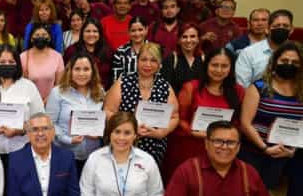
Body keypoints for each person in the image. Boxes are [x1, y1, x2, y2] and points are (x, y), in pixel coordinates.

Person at [239, 42, 303, 196]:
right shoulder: (259, 87)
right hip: (257, 150)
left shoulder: (301, 90)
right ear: (275, 62)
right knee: (248, 194)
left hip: (289, 152)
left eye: (294, 62)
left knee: (282, 191)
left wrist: (292, 150)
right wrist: (265, 148)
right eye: (285, 61)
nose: (289, 64)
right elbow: (246, 123)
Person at [165, 47, 244, 181]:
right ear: (206, 65)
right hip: (188, 148)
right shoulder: (191, 87)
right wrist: (194, 132)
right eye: (214, 65)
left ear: (231, 68)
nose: (219, 70)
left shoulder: (238, 92)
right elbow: (179, 118)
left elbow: (238, 123)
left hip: (220, 150)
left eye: (224, 66)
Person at [104, 42, 179, 165]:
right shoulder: (123, 82)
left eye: (153, 60)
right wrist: (128, 128)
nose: (148, 64)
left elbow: (174, 117)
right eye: (144, 59)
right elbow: (108, 111)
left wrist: (161, 133)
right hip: (123, 142)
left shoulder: (165, 87)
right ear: (137, 61)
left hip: (154, 146)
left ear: (159, 64)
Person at [0, 44, 44, 169]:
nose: (7, 64)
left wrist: (20, 130)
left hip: (22, 149)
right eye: (2, 62)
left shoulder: (28, 86)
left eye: (11, 61)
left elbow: (40, 118)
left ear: (17, 64)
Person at [45, 53, 105, 175]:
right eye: (77, 69)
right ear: (70, 71)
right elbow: (50, 123)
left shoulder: (100, 91)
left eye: (86, 69)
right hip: (65, 154)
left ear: (93, 71)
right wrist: (68, 140)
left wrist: (99, 133)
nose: (82, 73)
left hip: (94, 156)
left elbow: (104, 119)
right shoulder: (58, 92)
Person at [236, 9, 294, 88]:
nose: (281, 28)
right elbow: (242, 87)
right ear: (267, 29)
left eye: (285, 26)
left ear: (291, 30)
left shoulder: (298, 53)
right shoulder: (248, 53)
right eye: (276, 26)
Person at [20, 23, 64, 103]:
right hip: (29, 102)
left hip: (52, 103)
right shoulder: (22, 57)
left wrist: (47, 101)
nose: (40, 37)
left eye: (44, 35)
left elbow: (59, 85)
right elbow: (21, 85)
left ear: (49, 38)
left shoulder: (57, 57)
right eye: (37, 35)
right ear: (31, 39)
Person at [63, 18, 112, 88]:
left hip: (103, 93)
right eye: (88, 31)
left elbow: (111, 76)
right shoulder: (71, 51)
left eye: (95, 31)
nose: (91, 34)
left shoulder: (108, 51)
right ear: (82, 33)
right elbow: (66, 75)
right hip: (76, 93)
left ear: (100, 34)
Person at [160, 23, 204, 94]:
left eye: (192, 36)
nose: (188, 40)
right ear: (178, 40)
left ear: (198, 39)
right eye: (184, 37)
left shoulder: (204, 60)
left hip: (198, 104)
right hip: (175, 103)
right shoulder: (170, 60)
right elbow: (165, 88)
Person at [111, 17, 148, 81]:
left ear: (146, 29)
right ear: (128, 31)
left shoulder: (154, 50)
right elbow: (117, 79)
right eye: (133, 30)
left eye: (140, 30)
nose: (137, 34)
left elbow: (158, 75)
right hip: (125, 89)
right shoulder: (120, 52)